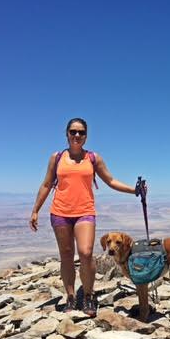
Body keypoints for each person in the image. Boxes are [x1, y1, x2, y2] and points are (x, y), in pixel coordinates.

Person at [29, 117, 140, 316]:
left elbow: (111, 180)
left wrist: (135, 191)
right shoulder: (57, 157)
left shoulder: (93, 158)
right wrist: (35, 209)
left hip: (85, 212)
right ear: (67, 134)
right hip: (60, 212)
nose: (77, 135)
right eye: (73, 132)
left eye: (81, 132)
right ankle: (71, 297)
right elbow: (46, 184)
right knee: (66, 256)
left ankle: (88, 296)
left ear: (86, 136)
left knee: (86, 252)